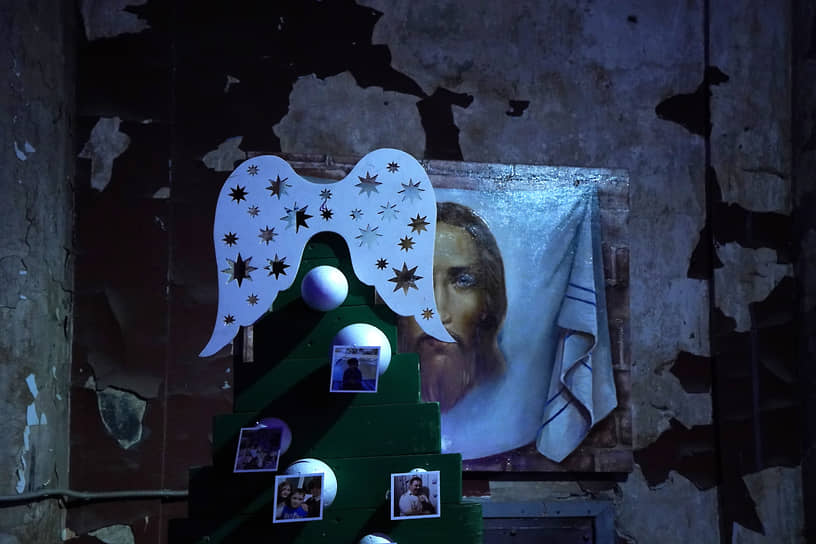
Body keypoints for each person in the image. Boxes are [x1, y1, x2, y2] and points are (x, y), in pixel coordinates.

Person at [398, 202, 507, 412]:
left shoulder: (505, 396)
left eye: (463, 281)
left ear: (487, 301)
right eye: (416, 281)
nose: (438, 314)